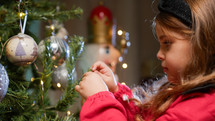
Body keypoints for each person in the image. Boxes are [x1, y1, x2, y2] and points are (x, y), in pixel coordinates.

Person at [75, 0, 215, 120]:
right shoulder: (184, 95)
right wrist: (115, 90)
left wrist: (99, 99)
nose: (159, 54)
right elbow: (144, 117)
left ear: (202, 43)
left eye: (167, 43)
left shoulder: (195, 111)